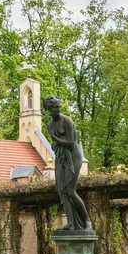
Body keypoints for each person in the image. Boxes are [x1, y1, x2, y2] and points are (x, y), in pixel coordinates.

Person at [43, 96, 90, 231]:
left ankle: (87, 222)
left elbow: (70, 143)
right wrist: (55, 142)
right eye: (55, 107)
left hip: (74, 158)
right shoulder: (50, 125)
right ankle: (70, 223)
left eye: (59, 106)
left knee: (70, 191)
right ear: (48, 109)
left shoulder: (67, 121)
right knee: (61, 191)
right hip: (61, 158)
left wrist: (55, 138)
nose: (58, 109)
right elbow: (55, 146)